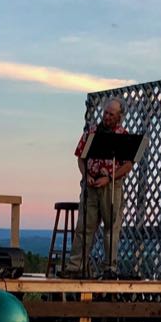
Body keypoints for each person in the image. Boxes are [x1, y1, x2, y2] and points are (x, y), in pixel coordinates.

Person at [64, 98, 133, 279]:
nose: (106, 117)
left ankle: (109, 268)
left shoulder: (122, 136)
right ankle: (76, 266)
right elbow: (80, 157)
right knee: (84, 227)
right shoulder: (92, 132)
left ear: (119, 116)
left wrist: (109, 177)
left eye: (111, 114)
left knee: (111, 228)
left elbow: (127, 165)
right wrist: (85, 174)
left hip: (110, 186)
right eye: (105, 113)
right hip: (91, 184)